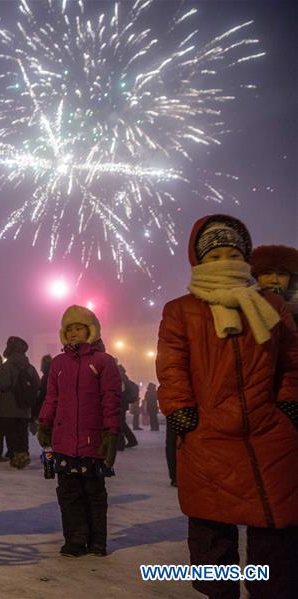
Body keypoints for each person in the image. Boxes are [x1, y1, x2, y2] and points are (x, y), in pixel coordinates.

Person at [156, 214, 298, 598]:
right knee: (211, 535)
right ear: (200, 261)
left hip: (268, 435)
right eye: (215, 254)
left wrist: (287, 405)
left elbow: (290, 362)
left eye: (232, 253)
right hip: (208, 435)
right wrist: (181, 410)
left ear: (246, 257)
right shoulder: (181, 310)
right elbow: (171, 366)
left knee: (274, 539)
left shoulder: (271, 306)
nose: (224, 260)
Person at [38, 305, 121, 557]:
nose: (74, 333)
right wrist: (45, 422)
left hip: (91, 439)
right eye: (70, 329)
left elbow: (111, 398)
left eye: (79, 328)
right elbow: (52, 396)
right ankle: (75, 539)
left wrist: (111, 432)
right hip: (64, 440)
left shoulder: (103, 362)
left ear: (90, 330)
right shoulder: (58, 363)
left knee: (94, 493)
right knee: (68, 493)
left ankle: (97, 541)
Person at [0, 336, 38, 469]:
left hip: (9, 406)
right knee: (22, 431)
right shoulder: (30, 367)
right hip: (24, 406)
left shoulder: (7, 366)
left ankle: (16, 456)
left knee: (11, 432)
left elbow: (3, 385)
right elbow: (37, 384)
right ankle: (24, 453)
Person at [250, 244, 298, 326]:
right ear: (256, 276)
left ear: (291, 279)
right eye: (266, 273)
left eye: (281, 274)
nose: (274, 281)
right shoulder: (244, 305)